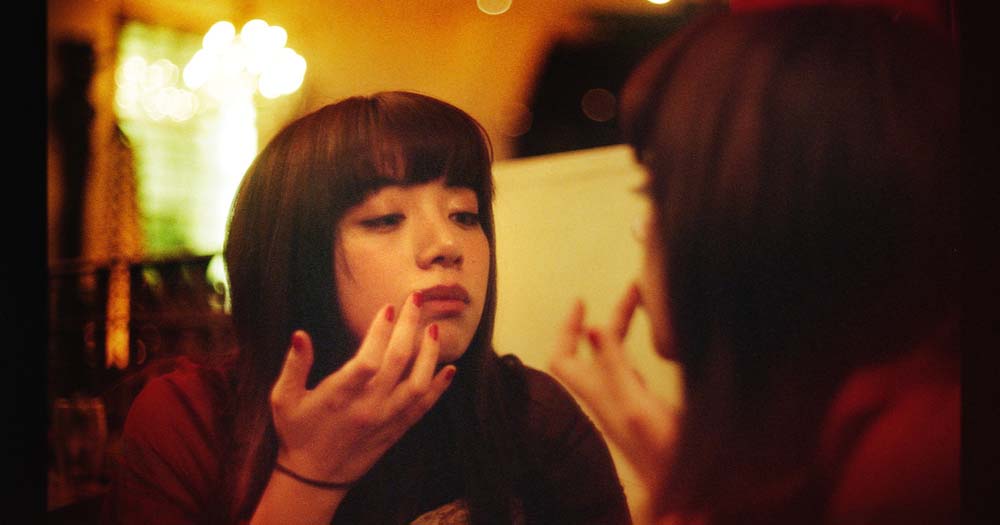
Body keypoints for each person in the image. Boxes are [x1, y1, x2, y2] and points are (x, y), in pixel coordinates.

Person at [101, 91, 631, 524]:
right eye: (384, 219)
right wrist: (309, 476)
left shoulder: (530, 414)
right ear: (298, 259)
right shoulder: (188, 421)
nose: (447, 245)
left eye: (465, 215)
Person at [550, 4, 959, 525]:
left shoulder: (912, 464)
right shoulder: (837, 435)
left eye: (655, 192)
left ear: (750, 209)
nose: (644, 229)